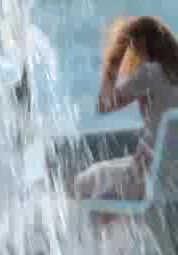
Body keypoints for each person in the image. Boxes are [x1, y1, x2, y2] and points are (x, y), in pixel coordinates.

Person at [73, 16, 178, 205]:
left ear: (140, 46)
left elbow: (104, 106)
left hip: (150, 178)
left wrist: (115, 59)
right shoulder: (169, 73)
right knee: (107, 175)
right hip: (171, 178)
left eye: (133, 49)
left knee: (82, 183)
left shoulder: (151, 73)